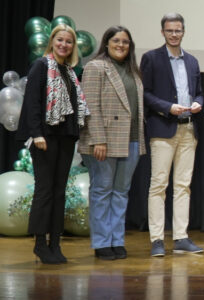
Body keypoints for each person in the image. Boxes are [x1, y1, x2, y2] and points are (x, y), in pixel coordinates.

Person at [16, 24, 90, 264]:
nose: (64, 45)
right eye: (60, 40)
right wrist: (37, 134)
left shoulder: (69, 70)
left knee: (59, 193)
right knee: (45, 191)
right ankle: (40, 244)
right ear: (52, 41)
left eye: (68, 41)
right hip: (45, 137)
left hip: (65, 137)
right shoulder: (41, 66)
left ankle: (55, 244)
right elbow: (33, 103)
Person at [78, 26, 146, 260]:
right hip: (103, 141)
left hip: (132, 140)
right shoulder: (95, 67)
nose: (121, 45)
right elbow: (90, 108)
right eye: (116, 40)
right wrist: (98, 139)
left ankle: (116, 239)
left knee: (121, 193)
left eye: (125, 42)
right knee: (102, 191)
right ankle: (101, 242)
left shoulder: (132, 70)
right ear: (106, 43)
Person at [141, 13, 204, 257]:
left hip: (188, 128)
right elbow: (145, 94)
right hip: (162, 128)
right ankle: (157, 239)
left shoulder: (192, 61)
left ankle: (181, 237)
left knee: (183, 186)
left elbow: (198, 92)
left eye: (178, 30)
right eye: (170, 31)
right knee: (158, 185)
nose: (174, 34)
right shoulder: (151, 58)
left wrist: (198, 103)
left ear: (183, 32)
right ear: (163, 32)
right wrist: (167, 107)